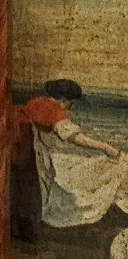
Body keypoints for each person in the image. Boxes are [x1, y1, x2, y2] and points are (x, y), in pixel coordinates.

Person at [12, 78, 128, 231]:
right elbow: (75, 137)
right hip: (25, 152)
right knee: (35, 190)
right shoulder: (51, 109)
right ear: (64, 99)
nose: (71, 107)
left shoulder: (37, 102)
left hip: (17, 147)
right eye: (71, 102)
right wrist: (106, 147)